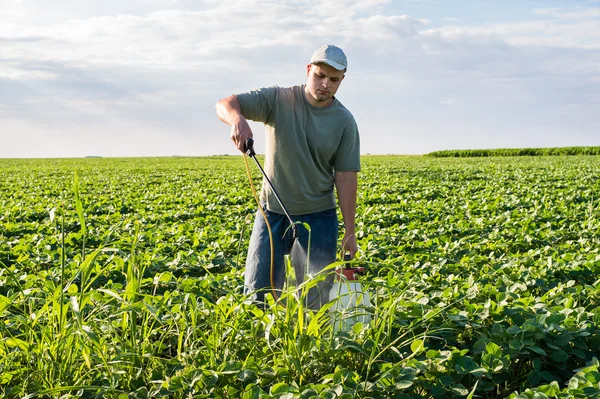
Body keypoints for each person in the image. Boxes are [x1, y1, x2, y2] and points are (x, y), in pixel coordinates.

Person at [215, 44, 360, 309]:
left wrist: (350, 231)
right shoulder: (277, 100)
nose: (325, 84)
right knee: (257, 294)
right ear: (308, 70)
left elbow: (346, 177)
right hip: (272, 212)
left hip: (319, 217)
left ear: (342, 80)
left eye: (333, 79)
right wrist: (237, 119)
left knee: (315, 300)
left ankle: (309, 349)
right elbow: (225, 104)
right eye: (319, 75)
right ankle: (260, 344)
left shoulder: (344, 121)